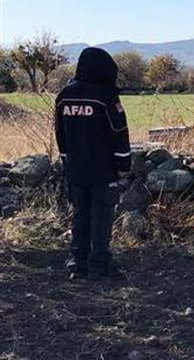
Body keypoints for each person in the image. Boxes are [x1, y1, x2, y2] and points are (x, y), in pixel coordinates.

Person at [55, 47, 131, 281]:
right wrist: (124, 165)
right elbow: (119, 133)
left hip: (76, 168)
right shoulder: (106, 98)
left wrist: (66, 160)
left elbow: (61, 134)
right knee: (102, 216)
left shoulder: (64, 96)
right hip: (103, 169)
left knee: (80, 213)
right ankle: (99, 265)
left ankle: (77, 263)